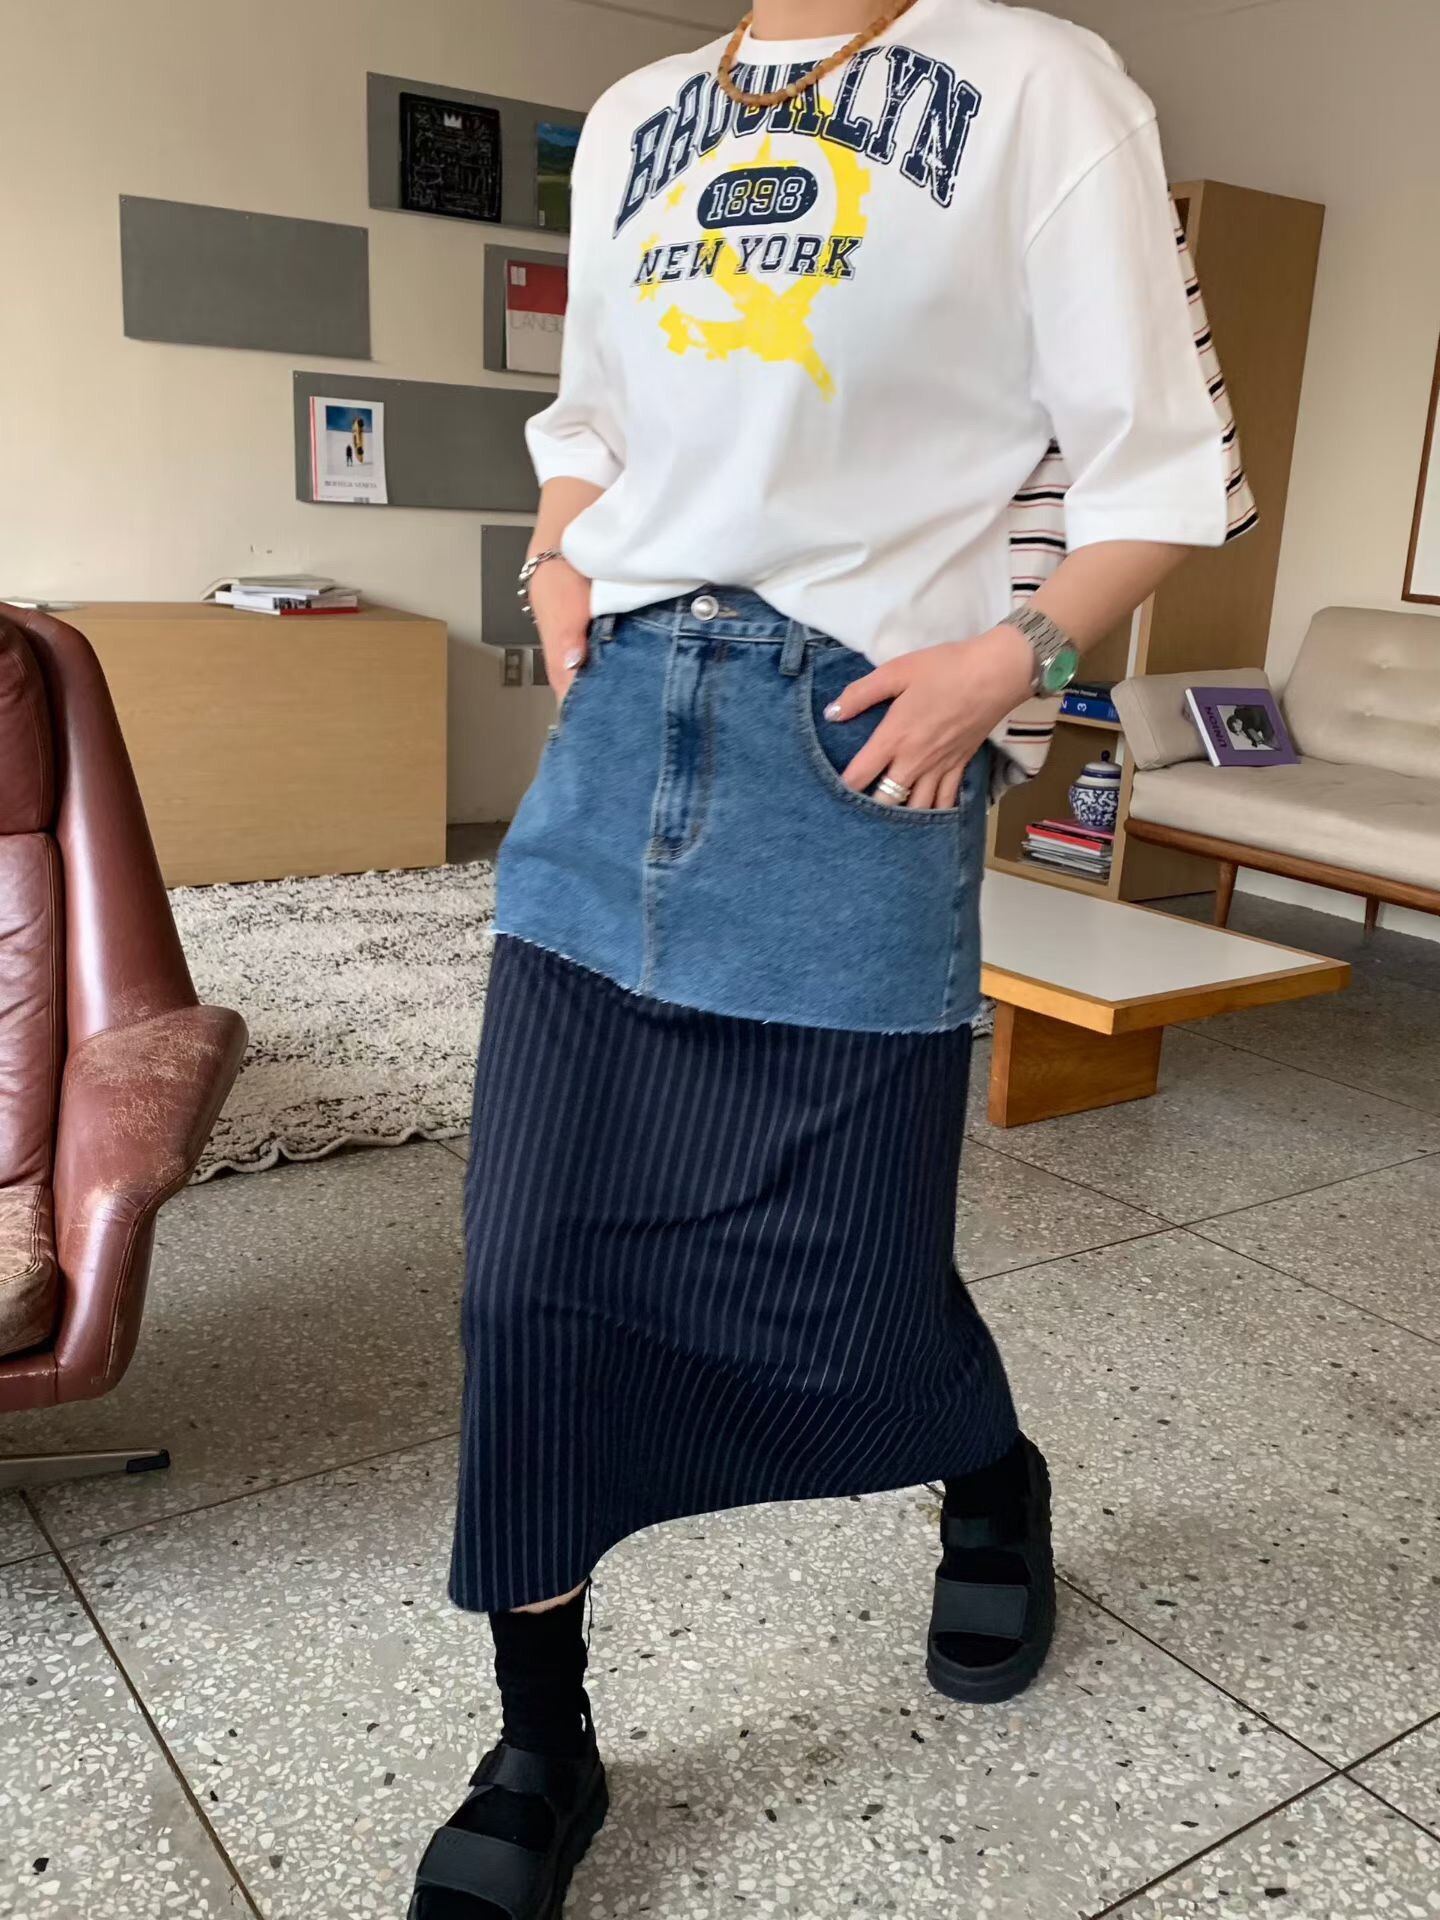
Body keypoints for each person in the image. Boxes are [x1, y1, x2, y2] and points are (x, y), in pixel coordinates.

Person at [410, 3, 1253, 1914]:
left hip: (863, 733)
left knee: (850, 1267)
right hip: (621, 725)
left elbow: (1165, 466)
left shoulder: (1036, 83)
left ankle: (988, 1474)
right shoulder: (640, 114)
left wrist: (1012, 662)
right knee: (527, 1274)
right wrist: (557, 552)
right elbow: (594, 421)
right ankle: (541, 1743)